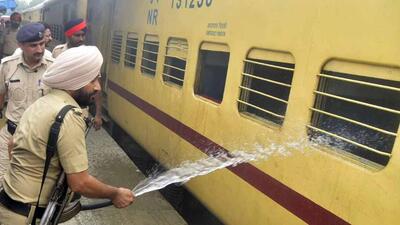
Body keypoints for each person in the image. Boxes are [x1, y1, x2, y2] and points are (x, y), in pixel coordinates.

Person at [0, 46, 134, 225]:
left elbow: (12, 143)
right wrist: (115, 193)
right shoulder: (69, 115)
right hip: (28, 216)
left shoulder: (42, 102)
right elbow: (80, 183)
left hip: (9, 206)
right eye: (91, 80)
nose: (97, 87)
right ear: (74, 81)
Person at [0, 23, 53, 183]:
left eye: (42, 44)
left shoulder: (54, 67)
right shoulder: (7, 66)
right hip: (11, 134)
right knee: (2, 180)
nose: (39, 49)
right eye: (33, 45)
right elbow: (1, 94)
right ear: (20, 45)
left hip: (42, 139)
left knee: (38, 185)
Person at [52, 18, 102, 130]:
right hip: (58, 105)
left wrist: (98, 114)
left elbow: (96, 85)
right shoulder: (57, 52)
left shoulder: (89, 55)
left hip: (80, 108)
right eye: (77, 35)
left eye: (83, 35)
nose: (81, 38)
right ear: (68, 35)